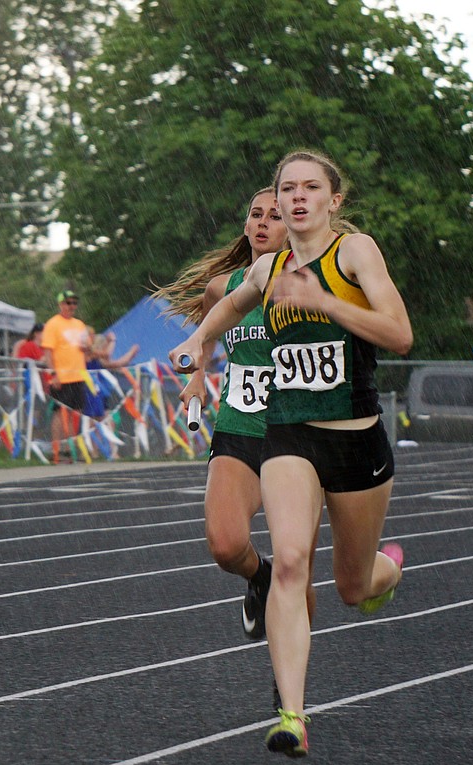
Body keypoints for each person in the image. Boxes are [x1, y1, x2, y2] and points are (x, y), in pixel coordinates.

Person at [169, 150, 412, 758]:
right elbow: (229, 303)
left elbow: (400, 335)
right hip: (288, 436)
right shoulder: (268, 269)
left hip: (355, 439)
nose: (297, 198)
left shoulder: (355, 253)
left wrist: (328, 304)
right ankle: (292, 715)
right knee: (291, 560)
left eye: (311, 188)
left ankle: (389, 570)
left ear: (333, 200)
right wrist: (197, 341)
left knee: (352, 586)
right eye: (287, 189)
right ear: (277, 202)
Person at [156, 186, 317, 690]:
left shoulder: (309, 284)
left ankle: (287, 683)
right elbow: (203, 335)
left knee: (300, 566)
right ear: (246, 226)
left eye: (276, 215)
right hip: (240, 428)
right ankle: (259, 578)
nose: (265, 222)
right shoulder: (223, 287)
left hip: (298, 435)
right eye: (256, 214)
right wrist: (198, 376)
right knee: (226, 545)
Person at [41, 289, 91, 464]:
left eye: (74, 303)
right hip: (61, 376)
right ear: (61, 304)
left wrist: (86, 348)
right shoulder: (53, 324)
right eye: (68, 303)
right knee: (59, 412)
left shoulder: (79, 324)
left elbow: (87, 349)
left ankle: (70, 449)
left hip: (78, 375)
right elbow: (48, 351)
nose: (72, 306)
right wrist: (53, 373)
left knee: (76, 413)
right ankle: (57, 449)